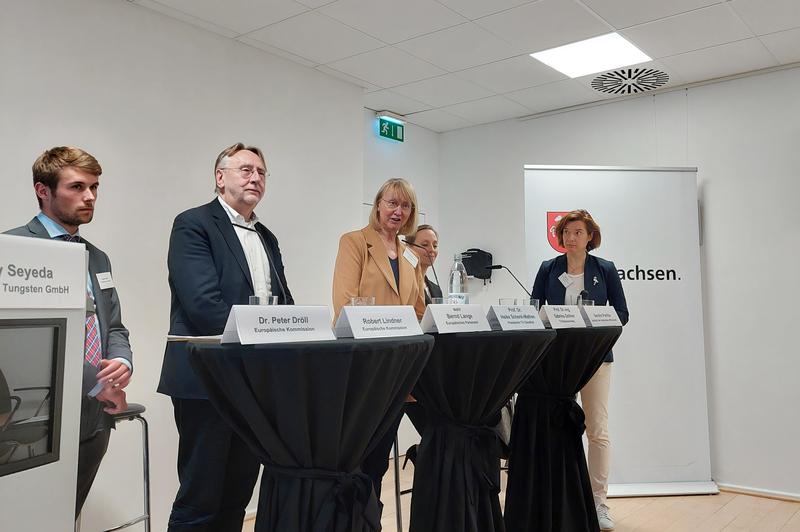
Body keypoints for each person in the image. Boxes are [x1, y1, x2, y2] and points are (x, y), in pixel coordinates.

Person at [158, 143, 293, 532]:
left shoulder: (266, 235)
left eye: (262, 172)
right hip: (206, 379)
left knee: (237, 496)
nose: (256, 178)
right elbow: (203, 305)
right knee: (201, 497)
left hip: (255, 383)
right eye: (246, 169)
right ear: (220, 177)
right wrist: (266, 333)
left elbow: (283, 300)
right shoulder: (193, 223)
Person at [5, 146, 133, 518]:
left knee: (67, 515)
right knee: (26, 518)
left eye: (94, 187)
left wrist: (122, 362)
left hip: (95, 416)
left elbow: (114, 326)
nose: (90, 197)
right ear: (43, 190)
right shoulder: (12, 248)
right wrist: (97, 382)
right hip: (33, 417)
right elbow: (17, 345)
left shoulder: (97, 257)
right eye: (77, 187)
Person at [531, 209, 629, 531]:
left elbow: (622, 314)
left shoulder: (606, 269)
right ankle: (563, 496)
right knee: (558, 427)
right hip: (557, 362)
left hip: (595, 359)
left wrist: (593, 323)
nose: (570, 237)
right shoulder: (548, 269)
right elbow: (533, 309)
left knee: (597, 430)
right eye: (565, 232)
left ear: (590, 237)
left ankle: (598, 502)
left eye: (576, 232)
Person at [331, 177, 425, 498]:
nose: (398, 211)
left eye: (405, 205)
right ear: (378, 205)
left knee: (378, 463)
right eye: (392, 203)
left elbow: (418, 309)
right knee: (357, 461)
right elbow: (345, 306)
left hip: (400, 370)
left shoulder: (411, 255)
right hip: (362, 367)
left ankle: (370, 519)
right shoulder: (354, 242)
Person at [405, 224, 442, 304]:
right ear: (408, 248)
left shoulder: (436, 289)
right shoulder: (402, 284)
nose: (432, 250)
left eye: (435, 246)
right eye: (425, 245)